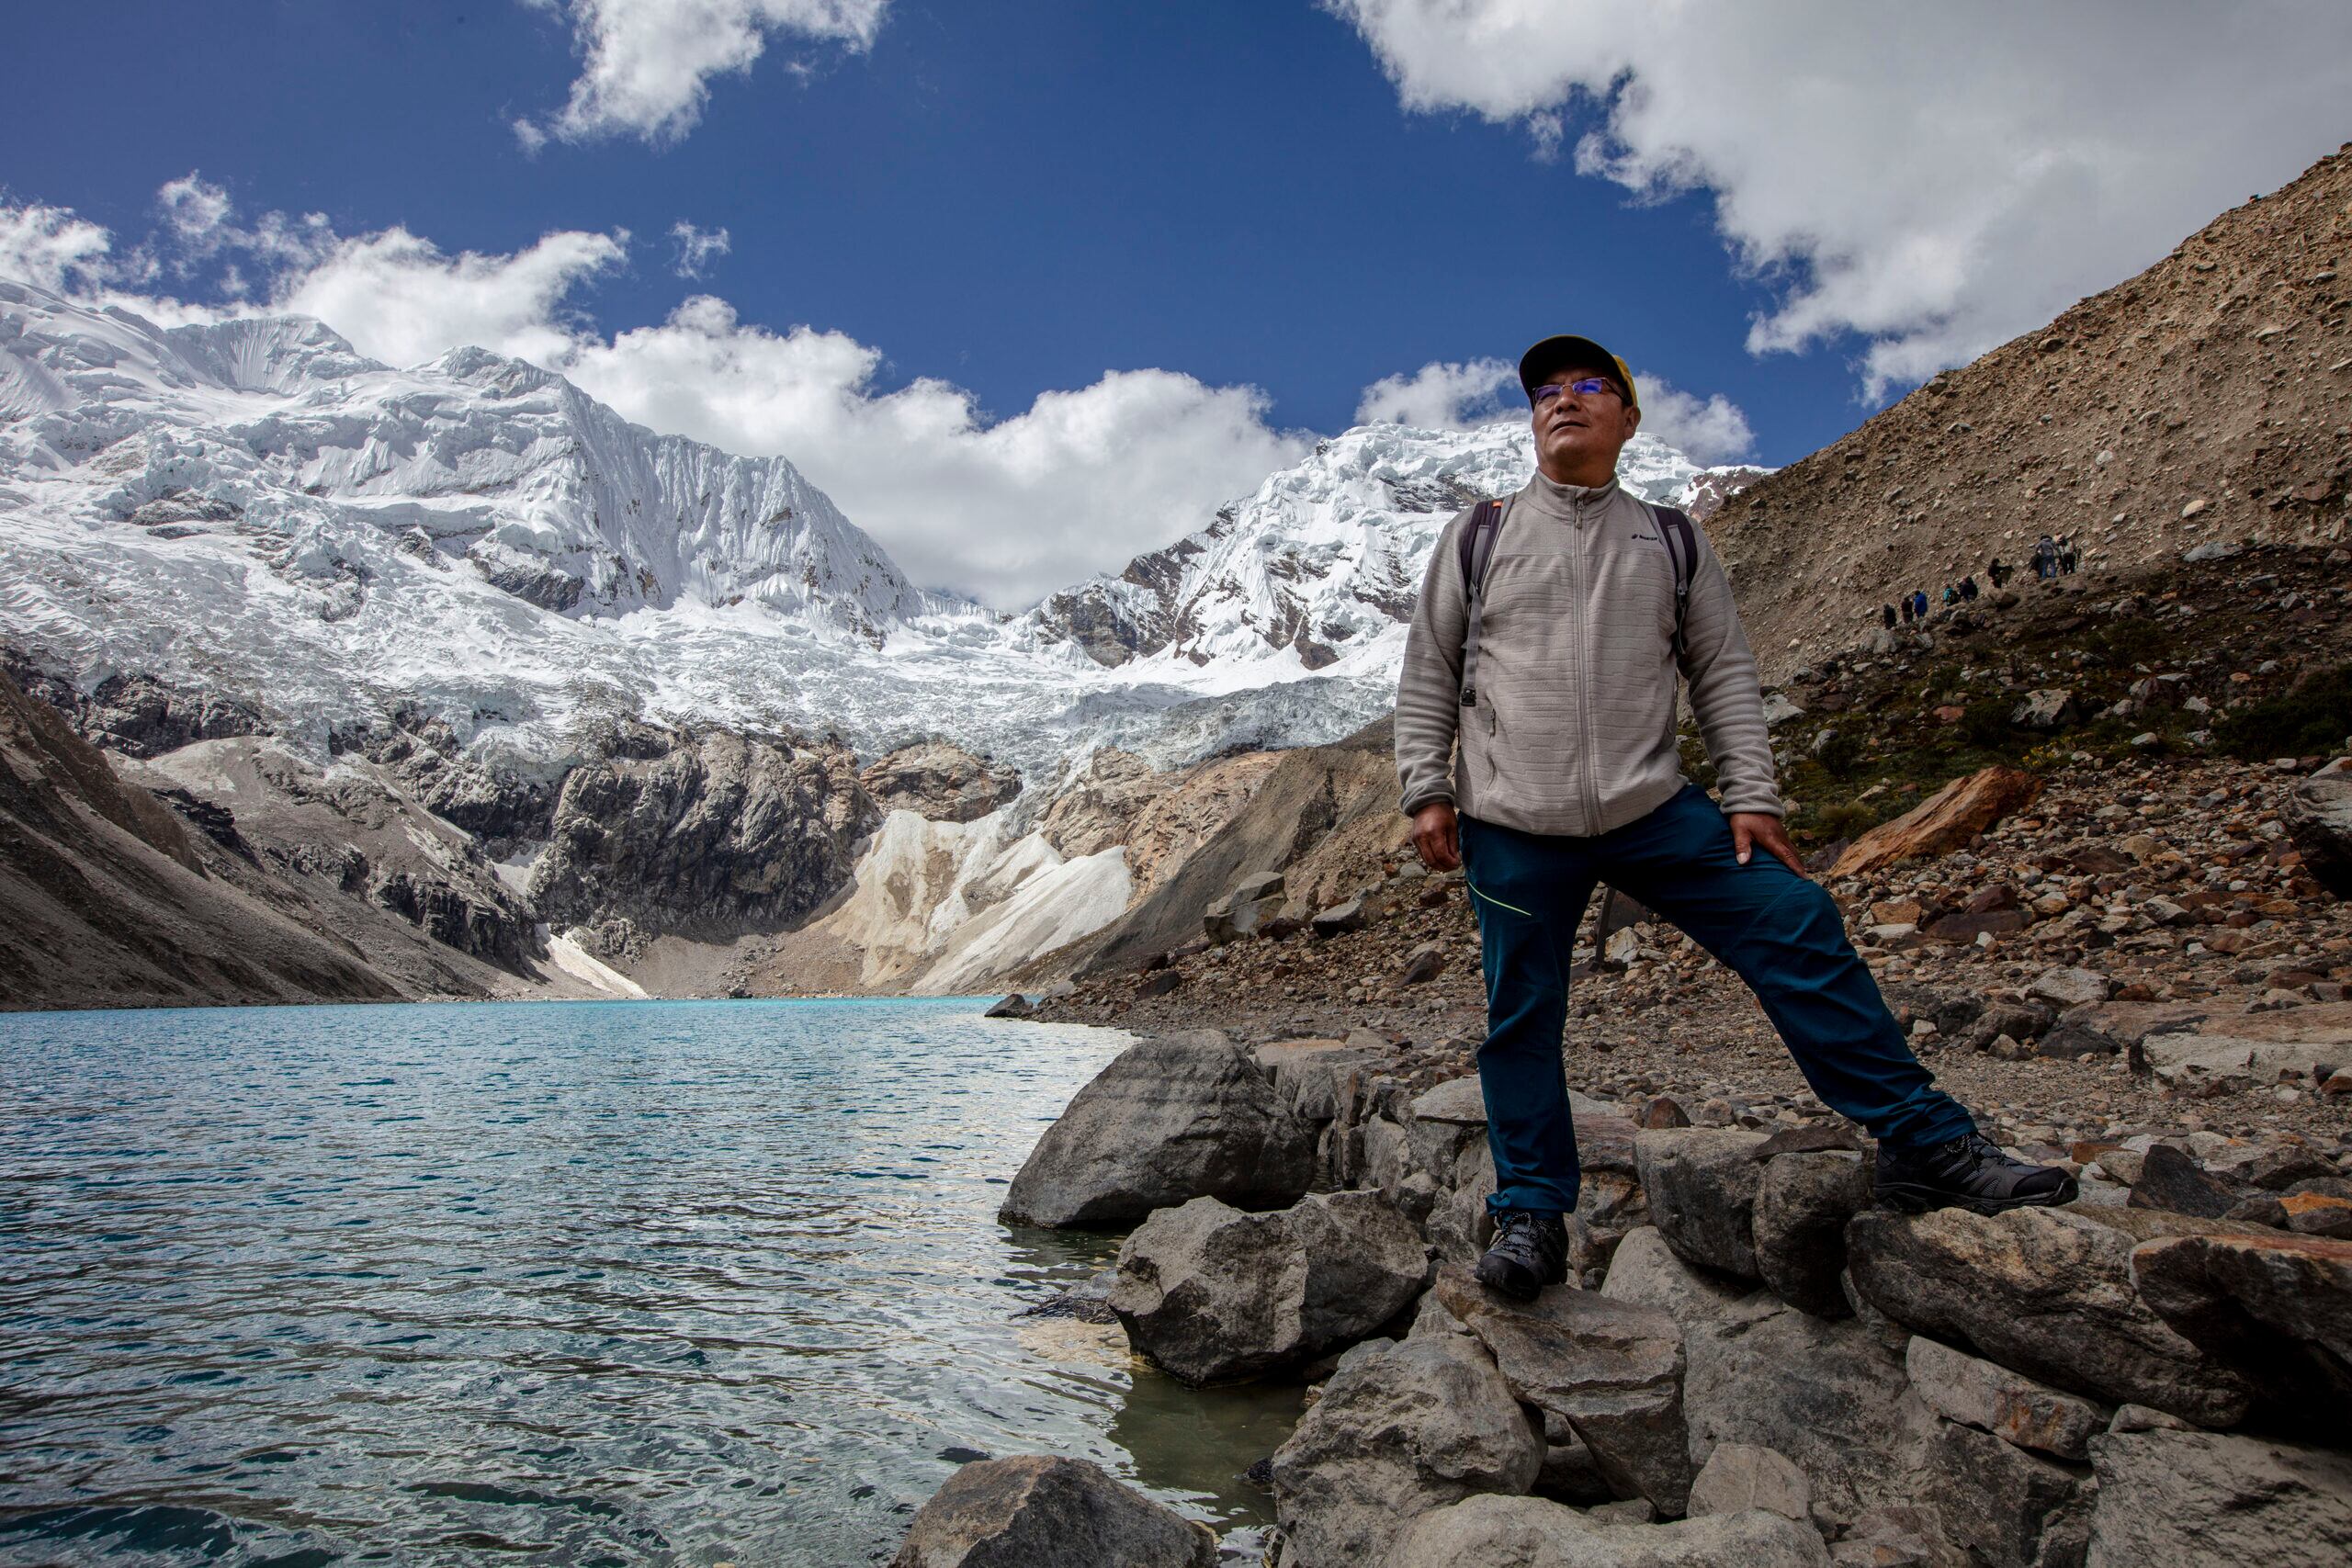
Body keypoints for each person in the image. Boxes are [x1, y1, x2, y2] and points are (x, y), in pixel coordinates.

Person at [1394, 331, 2075, 1303]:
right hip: (1511, 821)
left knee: (1794, 918)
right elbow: (1430, 666)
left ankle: (1925, 1142)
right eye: (1545, 391)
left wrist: (1753, 796)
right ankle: (1533, 1214)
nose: (1562, 399)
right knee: (1522, 1016)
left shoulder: (1670, 538)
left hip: (1651, 809)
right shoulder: (1481, 533)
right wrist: (1426, 788)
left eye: (1587, 384)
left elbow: (1721, 672)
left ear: (1628, 417)